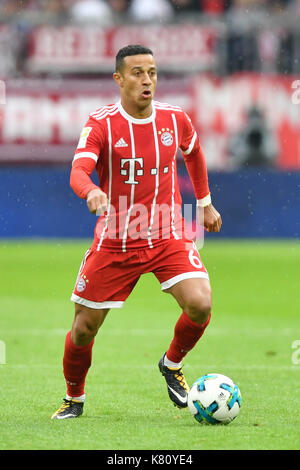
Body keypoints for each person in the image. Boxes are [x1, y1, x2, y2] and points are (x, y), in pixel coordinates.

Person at [51, 44, 222, 420]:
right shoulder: (102, 123)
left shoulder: (175, 118)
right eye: (138, 73)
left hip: (167, 233)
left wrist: (205, 202)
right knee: (82, 329)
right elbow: (78, 171)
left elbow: (193, 152)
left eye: (153, 72)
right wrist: (91, 190)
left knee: (201, 303)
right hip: (117, 239)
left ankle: (171, 363)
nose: (148, 80)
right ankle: (73, 398)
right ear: (119, 79)